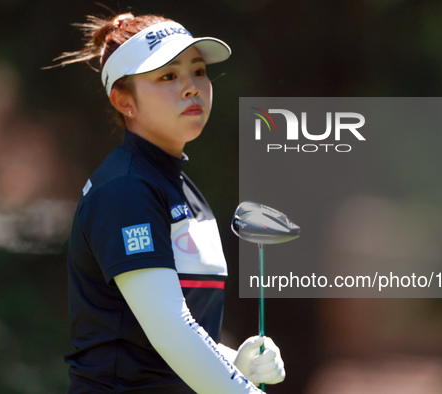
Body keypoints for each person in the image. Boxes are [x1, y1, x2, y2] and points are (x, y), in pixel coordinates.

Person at [49, 11, 285, 393]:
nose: (192, 87)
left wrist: (233, 362)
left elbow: (154, 347)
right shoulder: (125, 190)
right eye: (168, 76)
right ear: (124, 101)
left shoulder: (178, 187)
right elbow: (171, 331)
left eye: (199, 71)